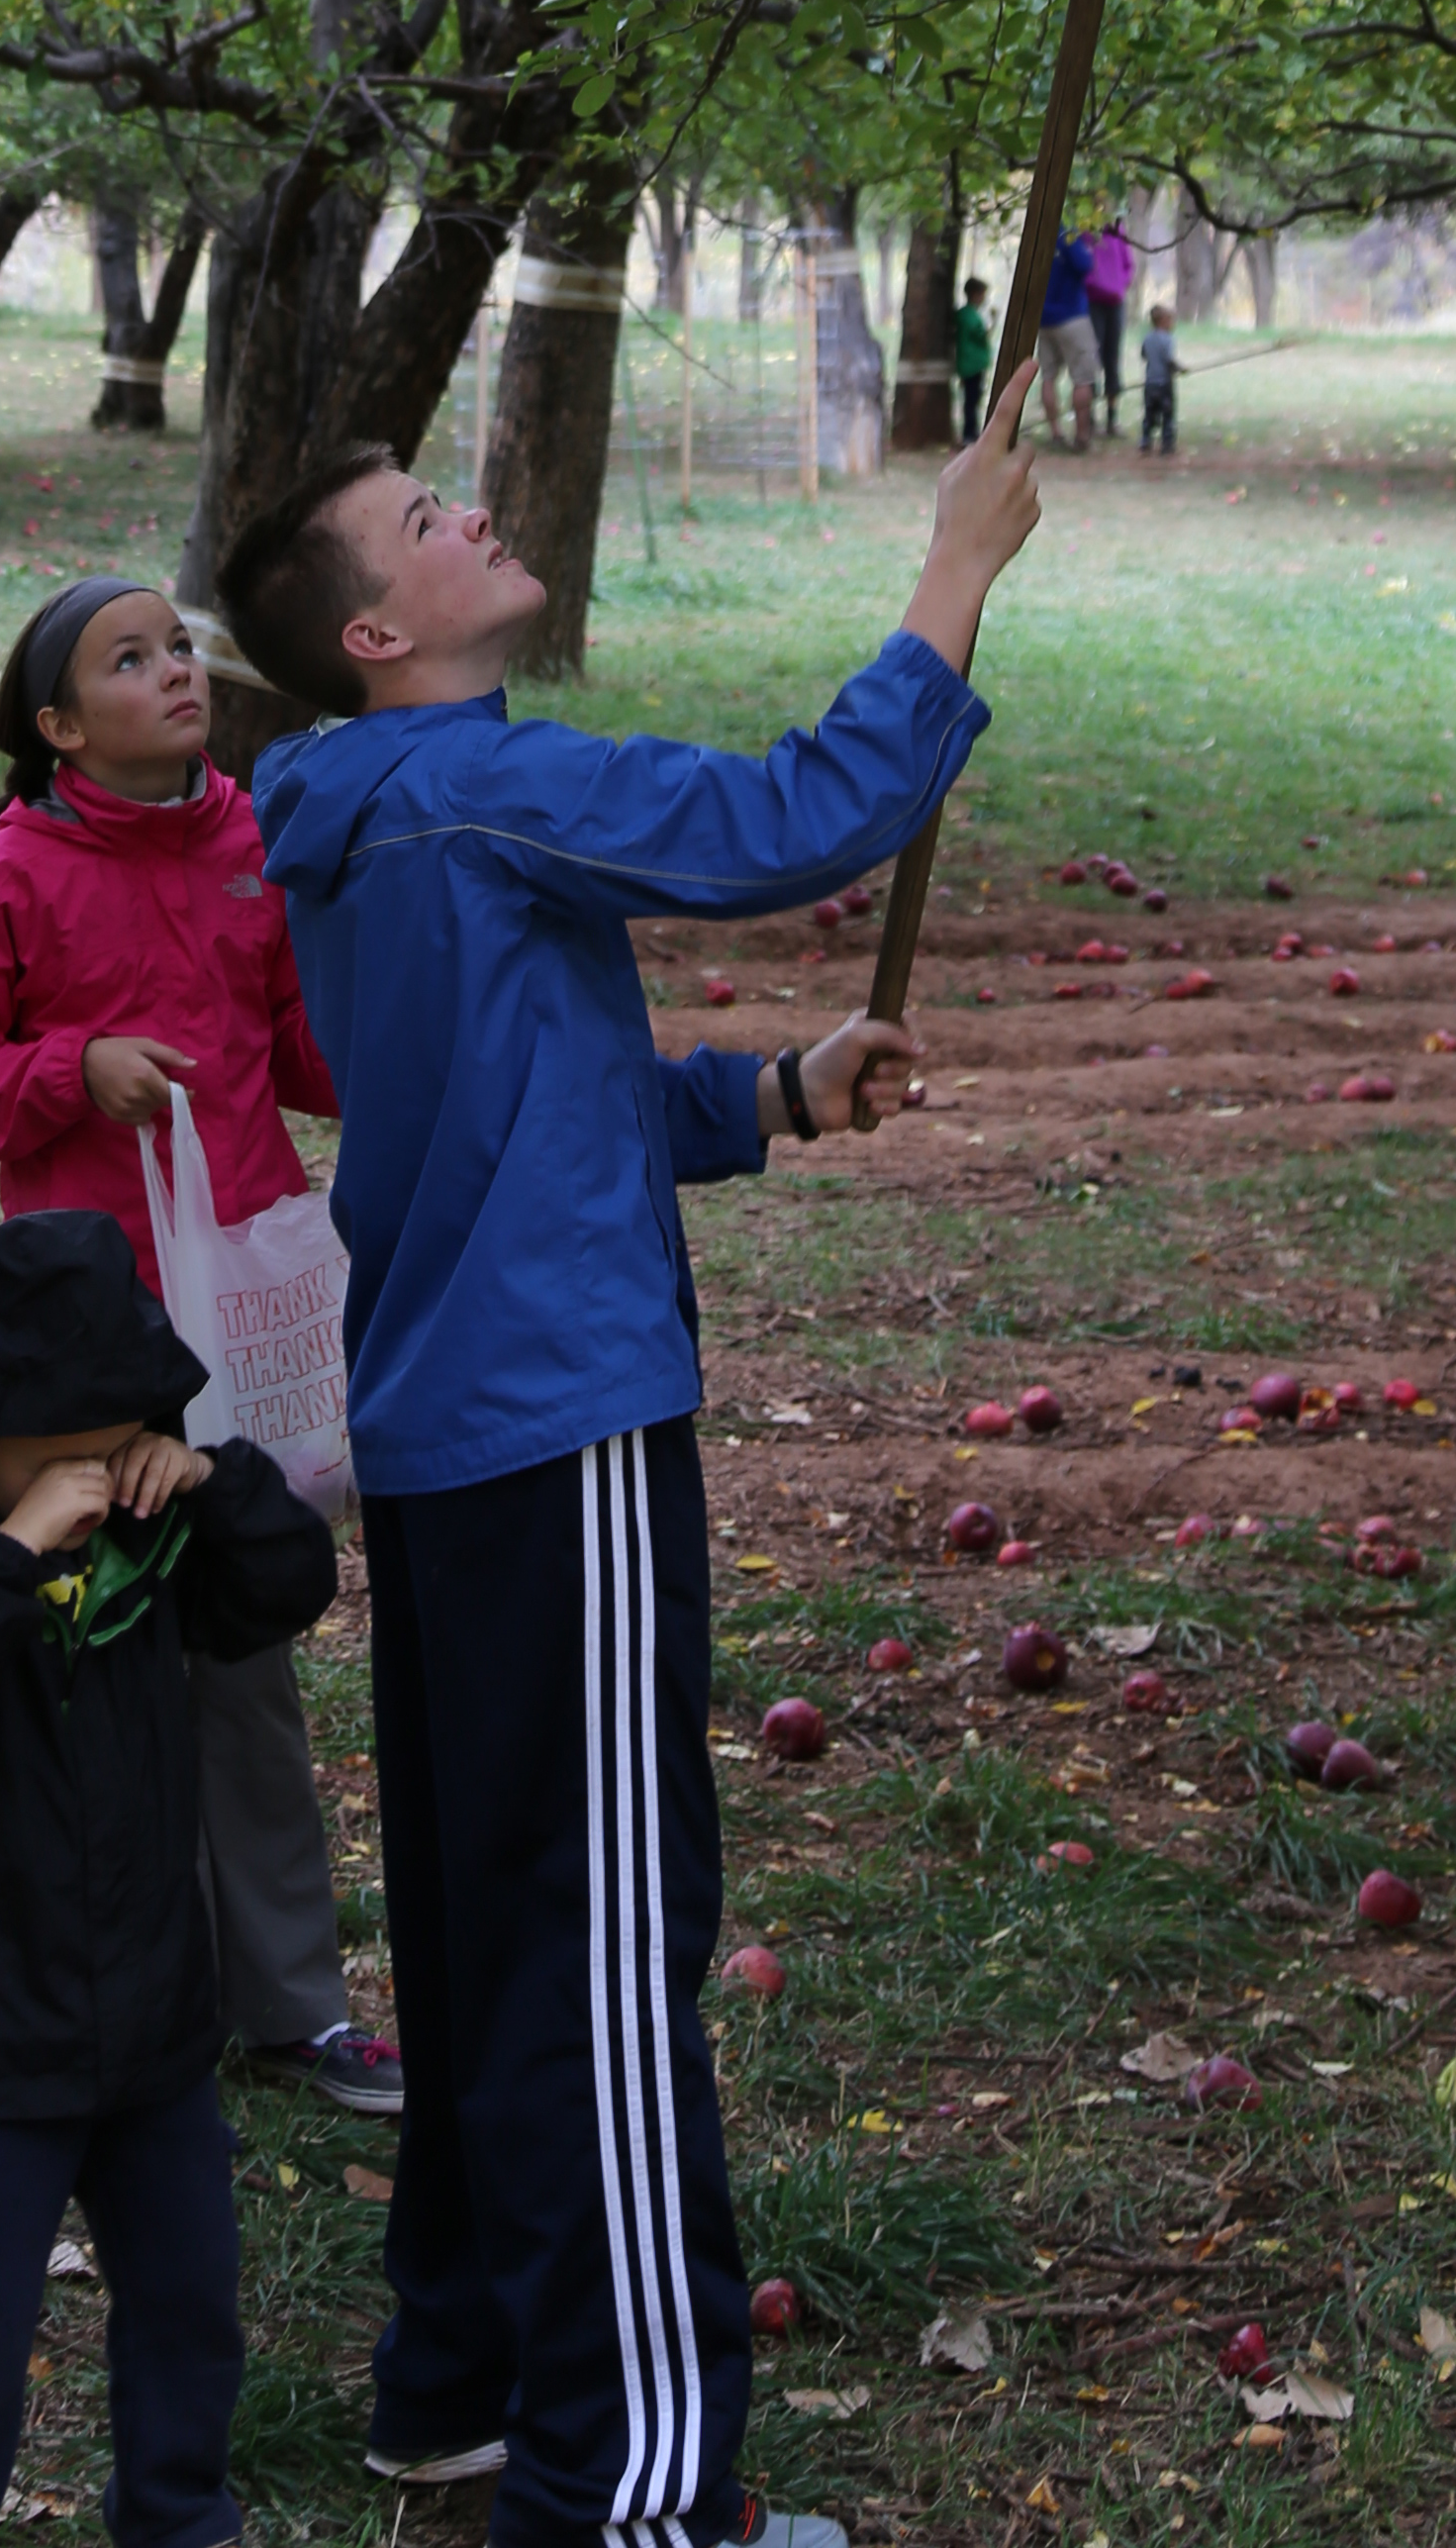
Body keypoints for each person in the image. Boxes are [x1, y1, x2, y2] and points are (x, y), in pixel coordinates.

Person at [219, 369, 1044, 2548]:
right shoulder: (480, 793)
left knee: (501, 1922)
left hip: (460, 1421)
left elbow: (525, 1094)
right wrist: (956, 566)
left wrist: (769, 1096)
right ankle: (637, 2496)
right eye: (420, 518)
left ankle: (463, 2381)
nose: (467, 511)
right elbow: (794, 818)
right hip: (553, 1415)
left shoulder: (375, 814)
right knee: (600, 1946)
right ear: (379, 635)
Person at [0, 577, 396, 2113]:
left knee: (240, 1655)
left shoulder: (256, 843)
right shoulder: (16, 875)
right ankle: (115, 1995)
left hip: (245, 1320)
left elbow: (303, 1050)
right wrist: (71, 1067)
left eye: (179, 647)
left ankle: (291, 2002)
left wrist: (401, 1051)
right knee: (96, 1654)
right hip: (88, 1346)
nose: (175, 670)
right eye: (131, 659)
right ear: (60, 725)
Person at [0, 1210, 337, 2548]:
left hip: (158, 2025)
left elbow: (290, 1589)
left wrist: (215, 1482)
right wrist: (9, 1552)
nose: (89, 1483)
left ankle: (180, 2515)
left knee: (189, 2302)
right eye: (54, 1457)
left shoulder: (155, 1552)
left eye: (110, 1446)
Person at [1035, 220, 1096, 444]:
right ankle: (1081, 435)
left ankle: (1055, 432)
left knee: (1048, 376)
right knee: (1082, 377)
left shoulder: (1039, 234)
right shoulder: (1067, 234)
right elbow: (1084, 264)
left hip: (1043, 317)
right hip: (1072, 316)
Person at [1084, 211, 1138, 434]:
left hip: (1115, 303)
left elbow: (1128, 265)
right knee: (1090, 358)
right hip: (1092, 302)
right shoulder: (1085, 233)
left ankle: (1112, 418)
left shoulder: (1118, 231)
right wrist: (1095, 284)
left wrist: (1119, 286)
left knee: (1112, 359)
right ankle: (1088, 418)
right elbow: (1082, 266)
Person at [952, 266, 994, 445]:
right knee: (971, 400)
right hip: (973, 365)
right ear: (975, 294)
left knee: (972, 399)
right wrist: (994, 320)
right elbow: (982, 335)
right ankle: (970, 433)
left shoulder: (965, 314)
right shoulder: (970, 316)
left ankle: (972, 431)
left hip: (968, 364)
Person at [1138, 300, 1181, 455]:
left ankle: (1145, 440)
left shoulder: (1147, 338)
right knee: (1167, 415)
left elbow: (1144, 355)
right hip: (1164, 384)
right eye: (1170, 320)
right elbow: (1169, 360)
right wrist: (1179, 369)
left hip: (1150, 383)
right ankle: (1167, 445)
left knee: (1149, 414)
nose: (1172, 324)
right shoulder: (1168, 339)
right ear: (1163, 321)